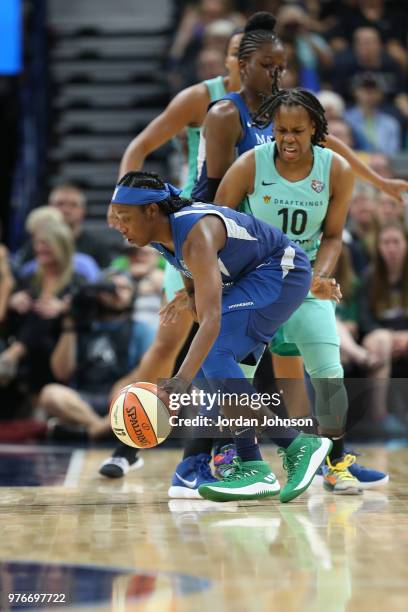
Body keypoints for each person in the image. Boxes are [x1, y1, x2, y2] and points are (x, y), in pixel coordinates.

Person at [110, 170, 333, 503]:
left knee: (212, 356)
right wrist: (189, 297)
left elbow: (211, 321)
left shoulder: (196, 232)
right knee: (211, 370)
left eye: (125, 218)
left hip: (282, 272)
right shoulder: (161, 237)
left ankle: (298, 444)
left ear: (151, 211)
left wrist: (178, 383)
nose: (120, 228)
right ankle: (254, 466)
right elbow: (194, 287)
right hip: (251, 281)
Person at [215, 86, 389, 491]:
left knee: (329, 373)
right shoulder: (249, 165)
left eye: (297, 130)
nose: (288, 139)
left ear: (315, 128)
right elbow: (218, 223)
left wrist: (321, 276)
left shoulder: (336, 169)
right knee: (234, 373)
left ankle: (336, 461)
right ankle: (243, 462)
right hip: (255, 281)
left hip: (305, 279)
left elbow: (332, 237)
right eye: (280, 131)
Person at [101, 28, 243, 477]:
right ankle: (128, 443)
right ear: (228, 59)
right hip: (192, 229)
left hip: (245, 237)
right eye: (239, 53)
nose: (248, 63)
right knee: (169, 341)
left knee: (250, 350)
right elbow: (139, 147)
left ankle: (247, 451)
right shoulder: (203, 97)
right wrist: (124, 205)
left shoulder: (278, 110)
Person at [39, 271, 155, 445]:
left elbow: (149, 369)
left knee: (151, 399)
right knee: (50, 394)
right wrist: (70, 324)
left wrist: (124, 386)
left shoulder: (141, 329)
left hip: (124, 399)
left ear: (134, 295)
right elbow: (61, 373)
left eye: (125, 288)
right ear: (100, 293)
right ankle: (102, 430)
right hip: (84, 401)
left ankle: (92, 431)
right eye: (111, 287)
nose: (117, 292)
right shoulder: (83, 328)